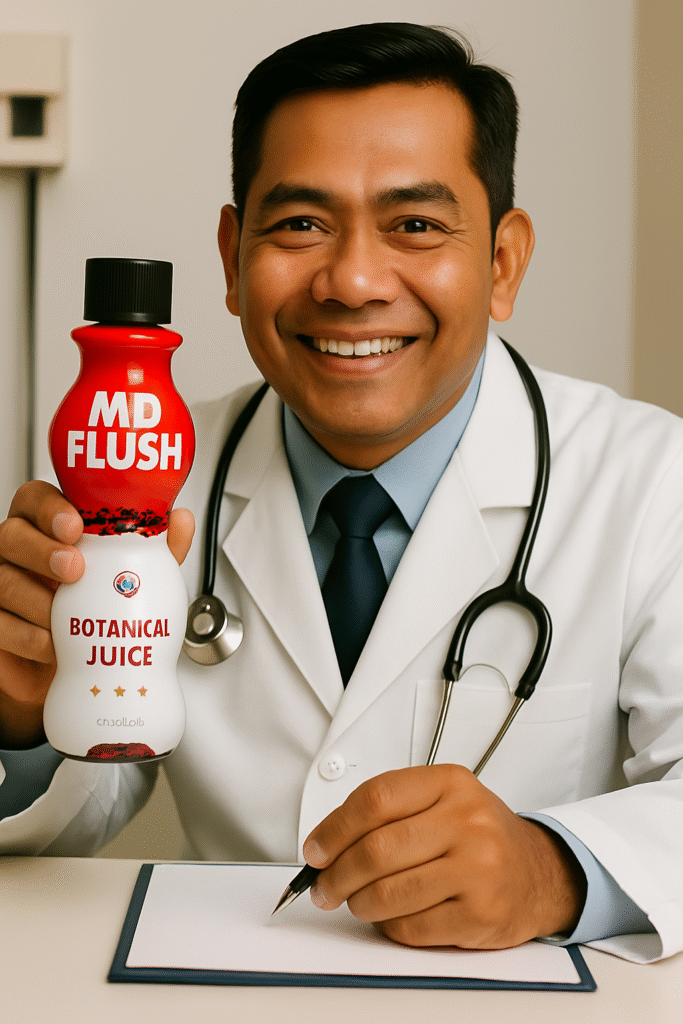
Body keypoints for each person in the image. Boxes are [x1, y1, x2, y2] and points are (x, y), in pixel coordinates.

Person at [0, 23, 682, 962]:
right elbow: (85, 802)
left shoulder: (651, 481)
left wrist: (553, 869)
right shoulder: (141, 477)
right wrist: (25, 715)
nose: (353, 282)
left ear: (502, 263)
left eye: (415, 226)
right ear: (232, 258)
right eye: (299, 225)